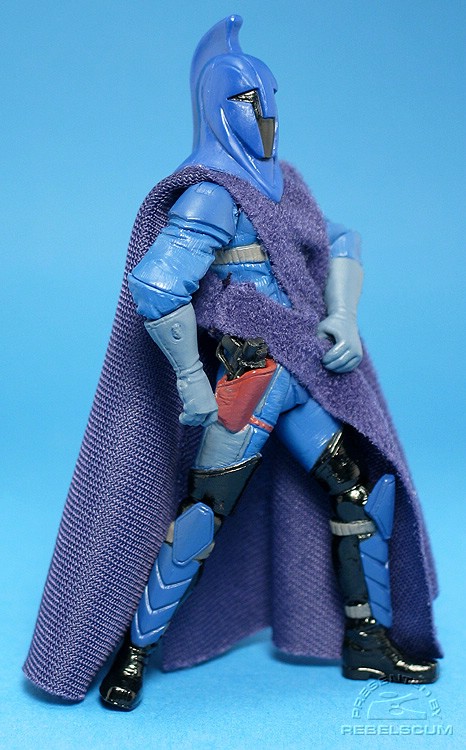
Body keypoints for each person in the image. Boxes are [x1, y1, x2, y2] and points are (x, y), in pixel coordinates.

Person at [24, 16, 441, 711]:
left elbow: (339, 238)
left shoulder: (283, 182)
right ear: (220, 106)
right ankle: (133, 654)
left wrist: (341, 313)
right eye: (250, 99)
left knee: (360, 491)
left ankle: (367, 641)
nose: (267, 112)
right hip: (248, 380)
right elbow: (158, 284)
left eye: (272, 96)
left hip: (301, 372)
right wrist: (191, 378)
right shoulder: (213, 192)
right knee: (201, 517)